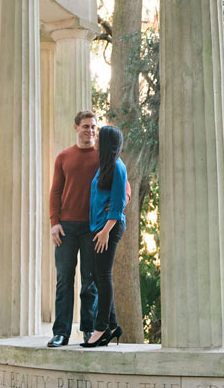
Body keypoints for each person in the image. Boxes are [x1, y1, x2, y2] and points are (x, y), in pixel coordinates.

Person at [47, 110, 99, 347]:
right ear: (76, 128)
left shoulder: (103, 157)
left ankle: (89, 331)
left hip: (93, 229)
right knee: (64, 281)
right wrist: (54, 223)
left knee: (90, 281)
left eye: (93, 127)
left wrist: (112, 216)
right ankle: (61, 333)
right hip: (66, 228)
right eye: (86, 126)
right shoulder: (64, 157)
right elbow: (55, 191)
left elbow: (124, 188)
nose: (90, 131)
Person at [81, 125, 127, 348]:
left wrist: (105, 232)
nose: (95, 138)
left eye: (99, 136)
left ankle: (100, 329)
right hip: (99, 227)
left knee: (103, 276)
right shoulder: (105, 166)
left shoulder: (118, 167)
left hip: (108, 228)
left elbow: (118, 204)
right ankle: (113, 325)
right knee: (99, 276)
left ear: (107, 142)